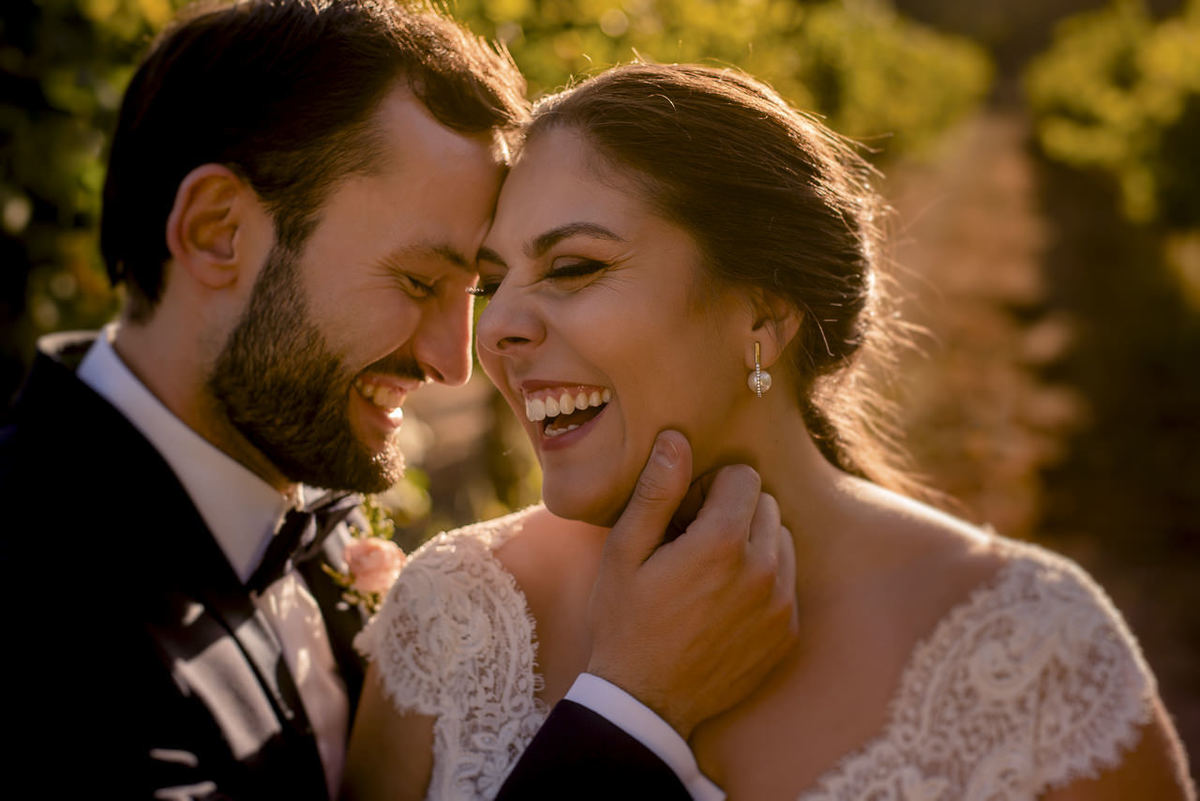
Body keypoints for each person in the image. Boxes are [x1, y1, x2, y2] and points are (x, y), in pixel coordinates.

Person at [0, 6, 801, 798]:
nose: (456, 362)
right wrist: (630, 712)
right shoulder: (40, 616)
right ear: (218, 232)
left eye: (476, 291)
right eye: (419, 282)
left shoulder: (310, 498)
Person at [348, 62, 1198, 800]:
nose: (494, 331)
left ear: (764, 313)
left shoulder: (1035, 649)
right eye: (494, 285)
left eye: (574, 268)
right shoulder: (455, 617)